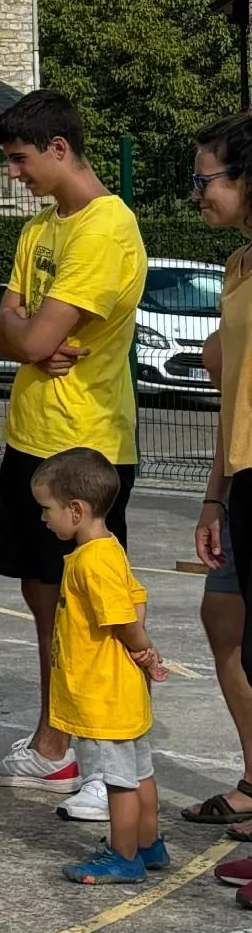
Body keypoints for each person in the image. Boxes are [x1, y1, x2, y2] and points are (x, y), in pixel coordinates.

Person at [0, 92, 147, 807]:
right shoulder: (42, 229)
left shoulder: (107, 227)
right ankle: (56, 746)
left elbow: (34, 337)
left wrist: (22, 333)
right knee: (45, 606)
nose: (14, 175)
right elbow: (4, 331)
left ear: (58, 147)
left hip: (86, 446)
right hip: (30, 438)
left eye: (19, 160)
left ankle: (114, 767)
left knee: (96, 613)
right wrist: (21, 333)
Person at [34, 447, 168, 883]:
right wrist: (141, 654)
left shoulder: (90, 561)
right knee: (140, 771)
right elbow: (137, 597)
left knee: (117, 781)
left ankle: (123, 855)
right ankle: (149, 844)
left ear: (76, 509)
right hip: (123, 691)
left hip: (103, 694)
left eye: (47, 509)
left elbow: (121, 618)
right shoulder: (110, 550)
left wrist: (144, 649)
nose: (43, 518)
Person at [186, 321, 252, 828]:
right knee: (223, 621)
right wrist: (215, 496)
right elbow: (218, 365)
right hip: (240, 481)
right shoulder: (237, 266)